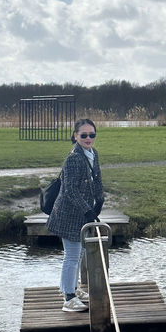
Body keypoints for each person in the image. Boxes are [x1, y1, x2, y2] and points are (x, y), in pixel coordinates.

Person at [47, 118, 105, 312]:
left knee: (79, 253)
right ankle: (68, 298)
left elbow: (97, 179)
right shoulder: (73, 158)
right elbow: (70, 190)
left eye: (92, 135)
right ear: (75, 136)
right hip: (67, 213)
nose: (88, 138)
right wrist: (87, 210)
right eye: (84, 135)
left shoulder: (92, 154)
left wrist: (100, 200)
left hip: (82, 212)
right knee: (71, 255)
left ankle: (74, 288)